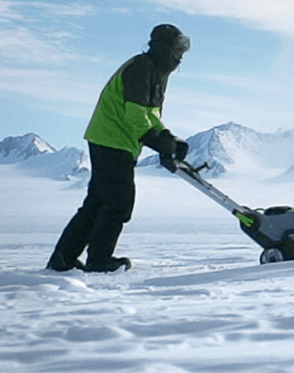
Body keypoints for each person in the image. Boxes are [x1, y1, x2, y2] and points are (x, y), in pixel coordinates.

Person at [47, 24, 191, 272]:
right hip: (112, 141)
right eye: (177, 49)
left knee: (96, 205)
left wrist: (168, 137)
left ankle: (63, 259)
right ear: (164, 48)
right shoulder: (141, 69)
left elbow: (150, 114)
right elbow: (135, 116)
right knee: (118, 203)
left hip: (113, 141)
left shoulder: (154, 71)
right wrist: (159, 144)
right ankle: (99, 260)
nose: (180, 56)